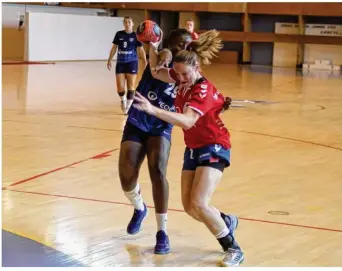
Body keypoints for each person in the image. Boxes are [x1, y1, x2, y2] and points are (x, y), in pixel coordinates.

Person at [132, 30, 244, 267]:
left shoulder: (201, 90)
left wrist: (153, 110)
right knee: (190, 208)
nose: (180, 79)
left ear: (197, 69)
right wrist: (153, 45)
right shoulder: (181, 76)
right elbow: (156, 71)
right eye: (178, 74)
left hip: (214, 146)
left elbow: (187, 121)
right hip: (193, 147)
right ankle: (225, 220)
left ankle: (233, 247)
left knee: (200, 203)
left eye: (185, 74)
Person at [107, 16, 147, 114]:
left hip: (132, 62)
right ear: (123, 24)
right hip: (120, 63)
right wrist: (109, 59)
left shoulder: (136, 36)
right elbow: (114, 48)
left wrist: (145, 61)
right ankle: (123, 99)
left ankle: (128, 107)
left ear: (132, 24)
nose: (127, 24)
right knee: (120, 87)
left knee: (130, 86)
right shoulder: (119, 34)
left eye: (129, 22)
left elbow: (141, 50)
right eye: (125, 22)